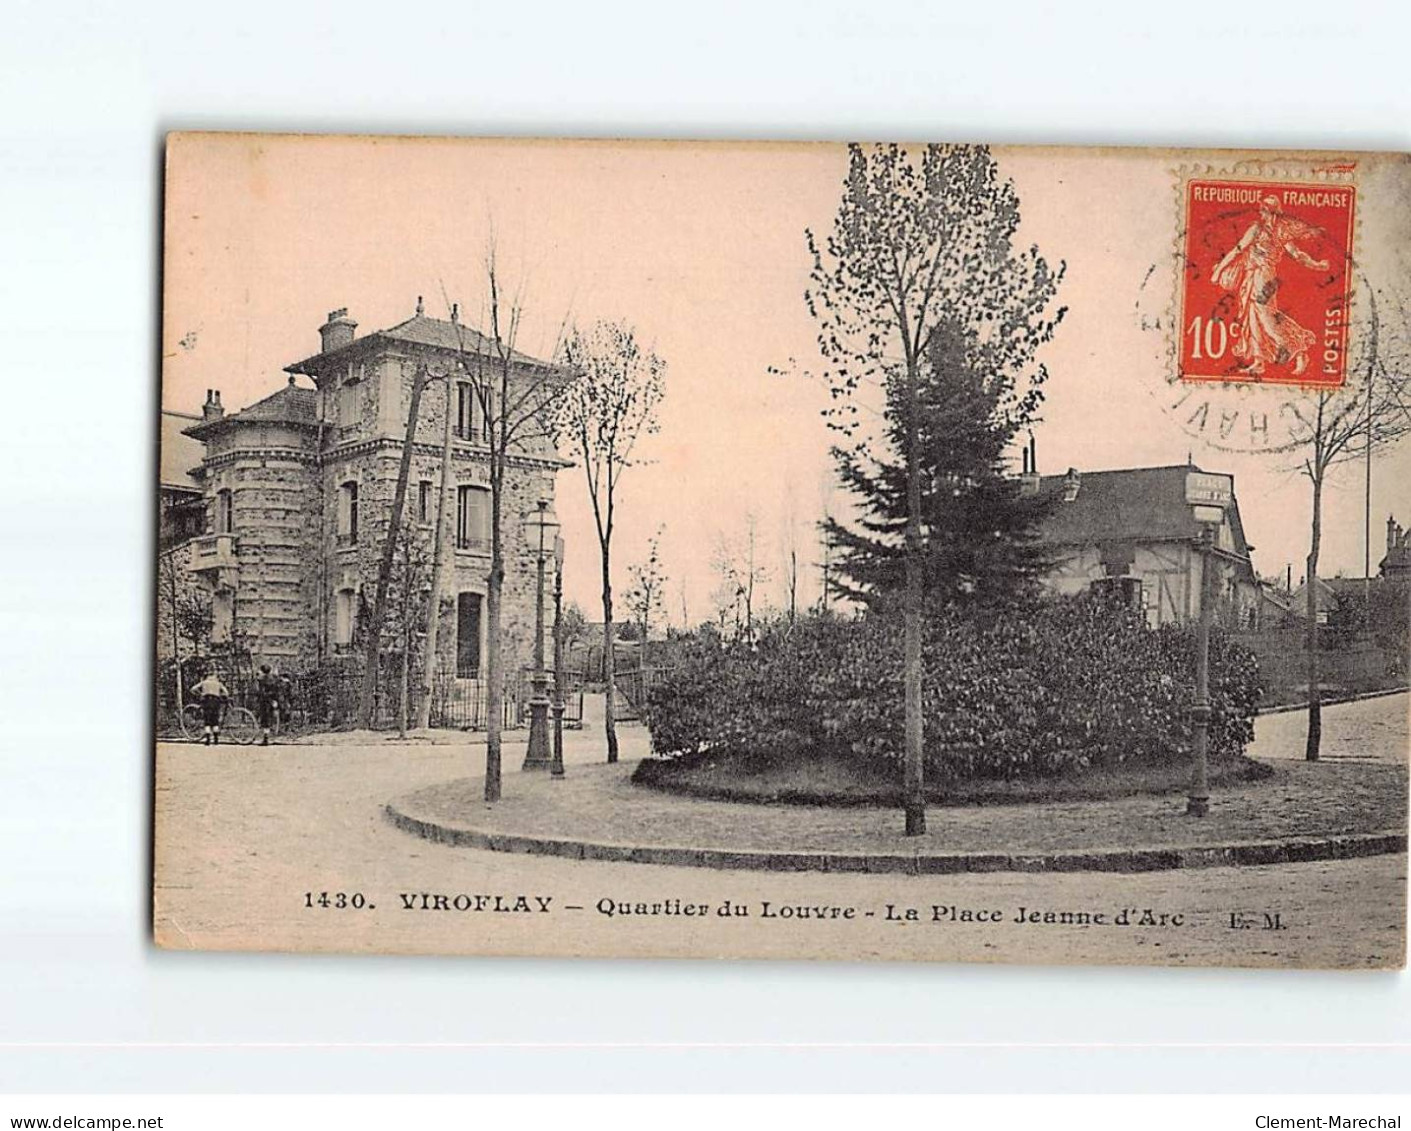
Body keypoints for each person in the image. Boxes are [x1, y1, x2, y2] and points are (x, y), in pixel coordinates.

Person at [1209, 195, 1330, 378]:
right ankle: (1259, 362)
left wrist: (1218, 271)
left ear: (1270, 211)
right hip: (1255, 275)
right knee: (1253, 316)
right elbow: (1296, 254)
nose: (1262, 213)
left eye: (1264, 210)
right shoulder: (1271, 231)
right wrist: (1317, 265)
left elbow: (1238, 250)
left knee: (1266, 318)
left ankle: (1297, 349)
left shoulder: (1264, 230)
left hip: (1262, 277)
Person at [190, 669, 229, 746]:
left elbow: (193, 689)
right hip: (216, 702)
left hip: (206, 701)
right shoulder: (218, 683)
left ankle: (208, 740)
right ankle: (216, 740)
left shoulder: (204, 682)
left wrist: (200, 694)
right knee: (215, 720)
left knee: (207, 720)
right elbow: (226, 692)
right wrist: (220, 695)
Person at [255, 664, 281, 746]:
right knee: (271, 718)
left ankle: (266, 739)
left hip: (265, 701)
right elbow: (276, 690)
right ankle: (271, 736)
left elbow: (262, 692)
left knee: (265, 719)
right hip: (273, 700)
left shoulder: (263, 680)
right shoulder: (273, 679)